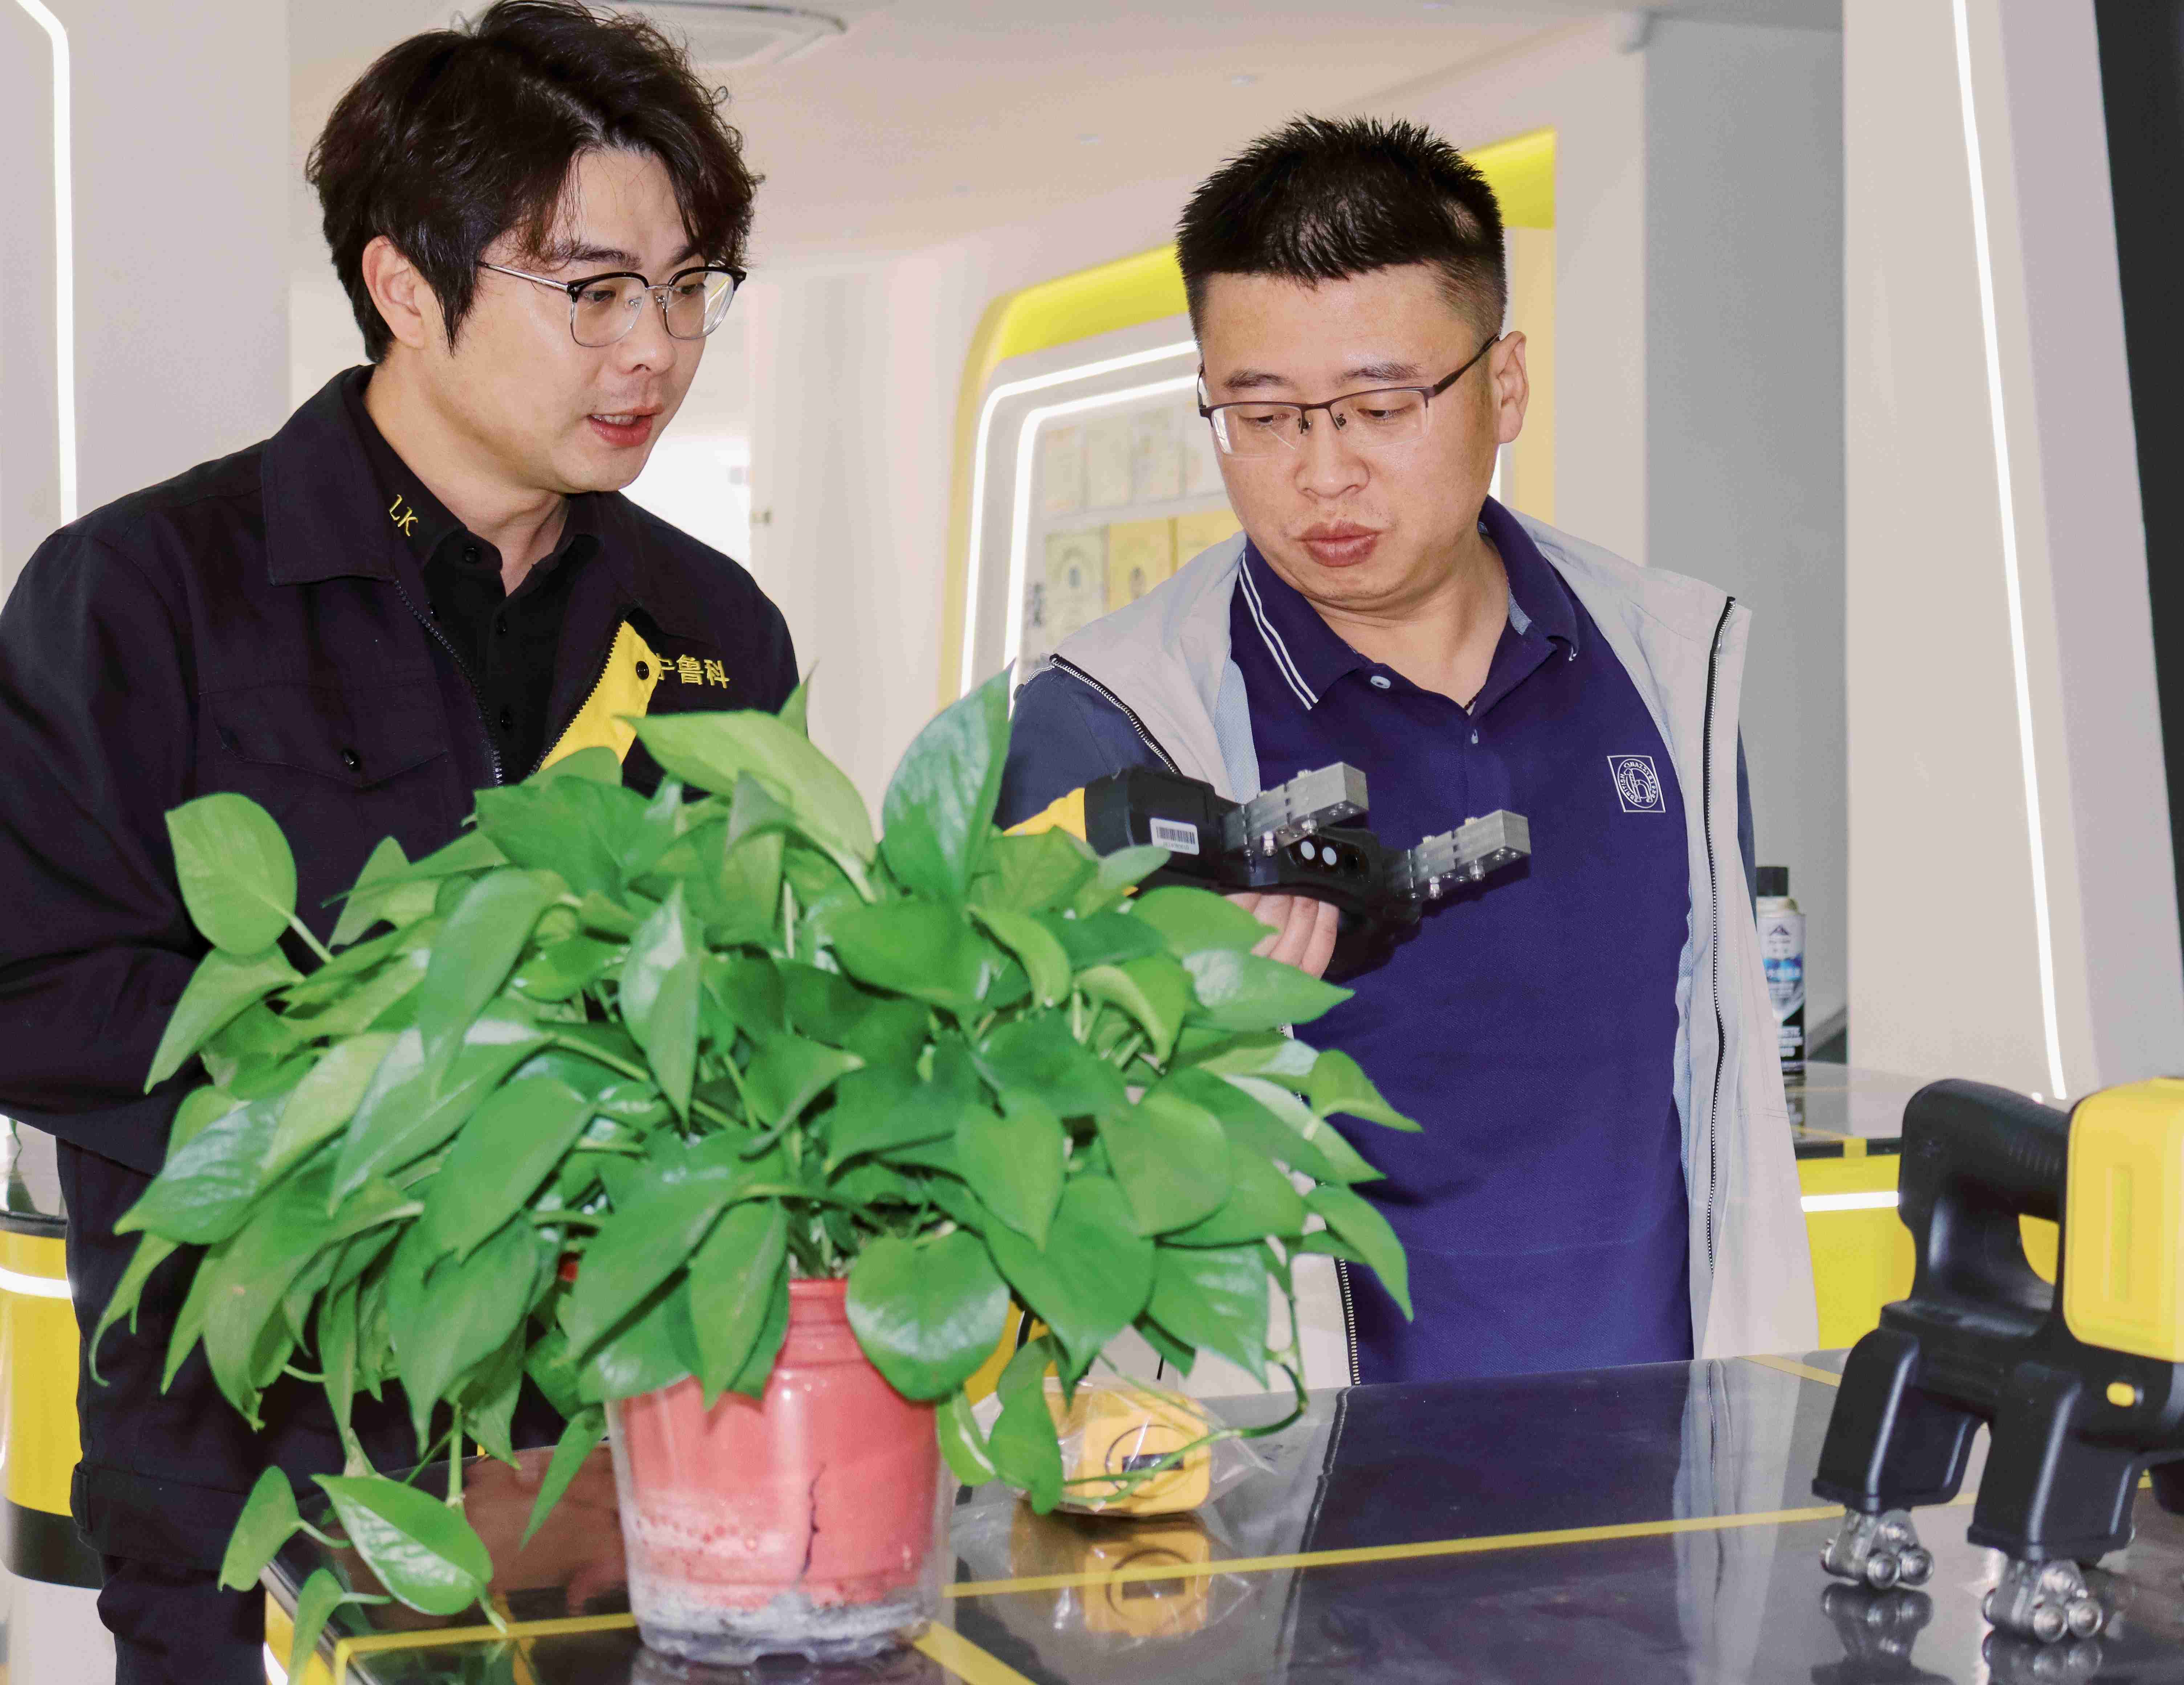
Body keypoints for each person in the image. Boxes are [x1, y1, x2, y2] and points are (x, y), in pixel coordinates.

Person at [0, 5, 794, 1678]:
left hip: (591, 1457)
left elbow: (740, 1001)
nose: (655, 349)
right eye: (593, 290)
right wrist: (404, 1097)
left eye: (688, 285)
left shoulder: (714, 627)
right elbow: (36, 985)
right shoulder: (142, 594)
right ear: (406, 289)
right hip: (245, 1467)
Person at [998, 117, 1815, 1388]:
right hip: (1288, 1483)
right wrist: (1171, 1029)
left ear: (1505, 385)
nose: (1322, 473)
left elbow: (1716, 1090)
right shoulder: (1114, 718)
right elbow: (1012, 1142)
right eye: (1261, 415)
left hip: (1656, 1467)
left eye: (1380, 408)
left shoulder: (1671, 667)